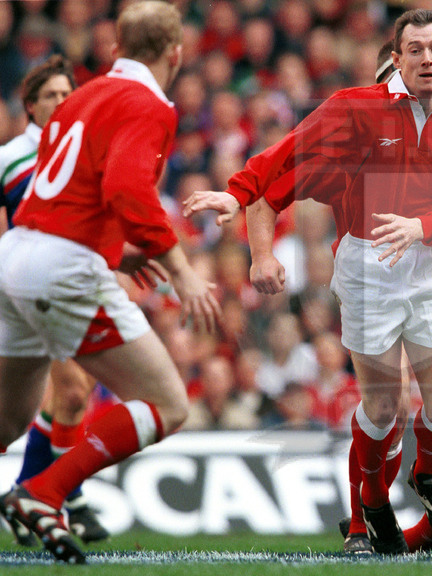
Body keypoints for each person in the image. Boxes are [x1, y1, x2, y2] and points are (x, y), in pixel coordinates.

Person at [183, 9, 432, 554]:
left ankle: (426, 479)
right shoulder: (356, 114)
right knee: (383, 408)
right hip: (370, 270)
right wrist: (238, 197)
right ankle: (372, 507)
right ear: (395, 60)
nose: (426, 58)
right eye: (414, 50)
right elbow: (284, 161)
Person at [0, 1, 221, 564]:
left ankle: (40, 494)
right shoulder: (147, 103)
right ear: (176, 53)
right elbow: (127, 189)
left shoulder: (80, 97)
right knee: (168, 405)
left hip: (15, 257)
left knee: (5, 421)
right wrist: (182, 270)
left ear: (116, 47)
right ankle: (43, 494)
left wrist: (114, 253)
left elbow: (66, 192)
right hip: (62, 268)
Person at [0, 55, 111, 547]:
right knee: (41, 402)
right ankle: (60, 495)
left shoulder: (80, 154)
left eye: (69, 95)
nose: (63, 103)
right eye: (52, 96)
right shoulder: (10, 158)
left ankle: (36, 493)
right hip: (17, 291)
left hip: (64, 288)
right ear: (30, 107)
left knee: (70, 394)